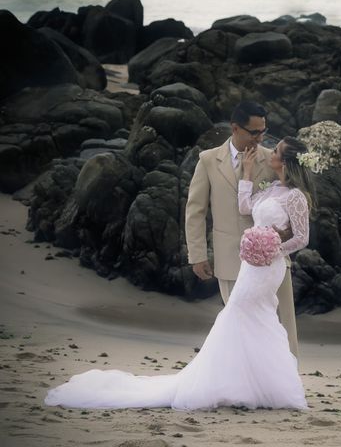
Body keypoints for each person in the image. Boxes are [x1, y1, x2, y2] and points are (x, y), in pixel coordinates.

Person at [44, 136, 315, 410]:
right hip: (250, 266)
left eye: (277, 151)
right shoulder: (270, 189)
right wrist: (245, 174)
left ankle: (249, 382)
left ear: (287, 162)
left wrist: (273, 249)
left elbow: (302, 238)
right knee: (250, 315)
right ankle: (251, 383)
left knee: (242, 312)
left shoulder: (296, 197)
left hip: (269, 267)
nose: (272, 153)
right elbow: (245, 207)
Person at [185, 101, 299, 357]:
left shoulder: (273, 160)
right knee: (241, 328)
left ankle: (286, 383)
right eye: (254, 132)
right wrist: (198, 254)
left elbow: (294, 200)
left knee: (282, 326)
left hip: (273, 259)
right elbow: (196, 210)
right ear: (235, 128)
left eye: (263, 132)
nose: (260, 138)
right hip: (229, 258)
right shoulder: (208, 160)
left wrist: (286, 233)